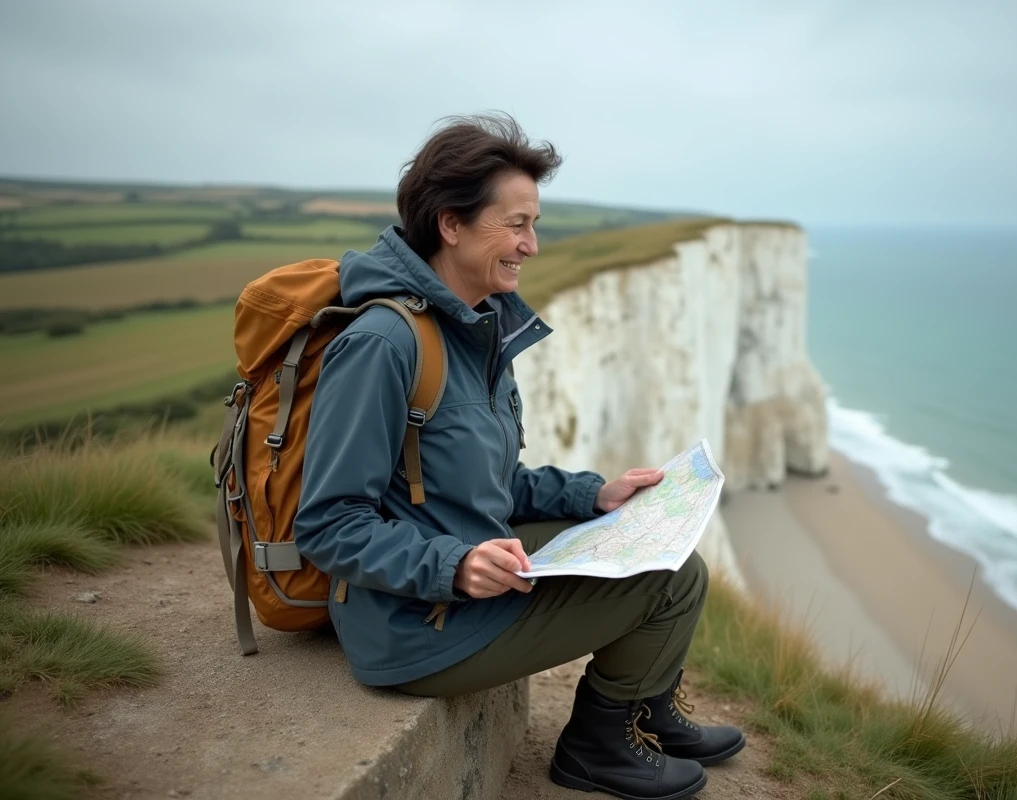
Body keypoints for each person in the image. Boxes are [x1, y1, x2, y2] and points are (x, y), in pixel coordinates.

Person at [293, 113, 744, 800]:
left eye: (534, 224)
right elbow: (328, 525)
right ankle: (598, 745)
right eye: (516, 224)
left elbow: (489, 483)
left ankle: (647, 713)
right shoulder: (387, 343)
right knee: (663, 583)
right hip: (413, 624)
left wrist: (592, 497)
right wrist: (455, 564)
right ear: (451, 224)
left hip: (458, 573)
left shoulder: (478, 325)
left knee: (668, 554)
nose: (531, 245)